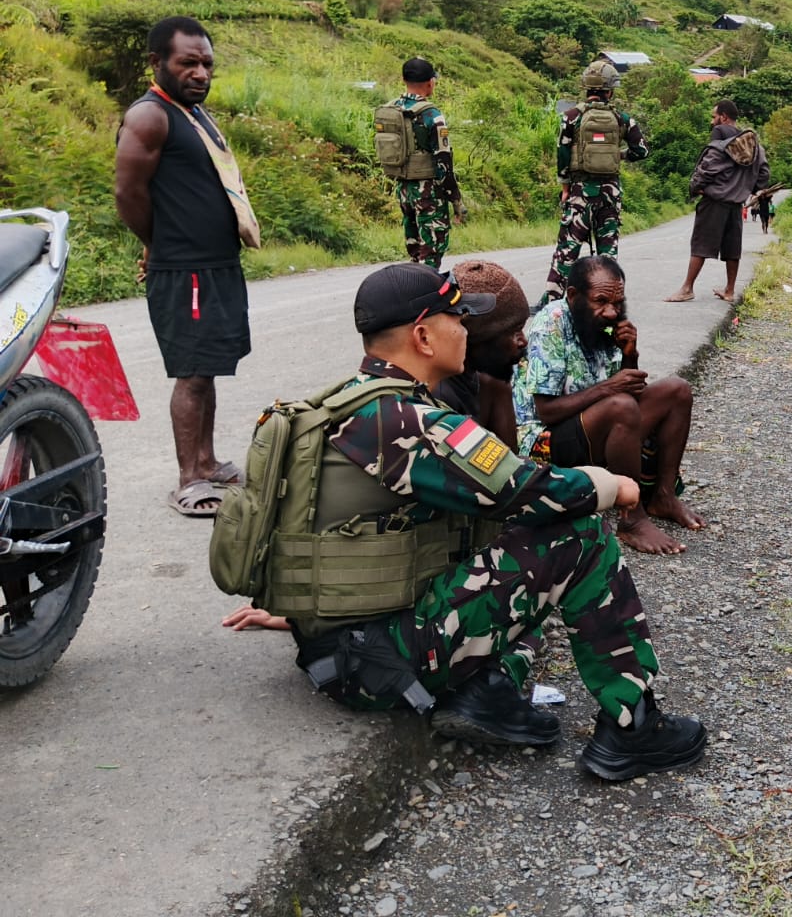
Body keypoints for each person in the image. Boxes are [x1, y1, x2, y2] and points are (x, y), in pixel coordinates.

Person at [277, 261, 706, 780]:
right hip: (375, 663)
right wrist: (615, 487)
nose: (466, 330)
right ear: (423, 336)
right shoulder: (408, 422)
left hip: (346, 650)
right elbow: (524, 489)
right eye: (457, 319)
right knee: (581, 536)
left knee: (518, 590)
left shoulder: (351, 402)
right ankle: (632, 728)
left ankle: (485, 691)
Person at [114, 16, 261, 518]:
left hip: (215, 264)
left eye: (207, 64)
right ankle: (189, 479)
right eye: (188, 63)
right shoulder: (150, 117)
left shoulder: (193, 115)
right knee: (192, 375)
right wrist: (157, 244)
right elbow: (127, 192)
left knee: (209, 369)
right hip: (186, 269)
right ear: (157, 62)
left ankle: (209, 461)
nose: (200, 73)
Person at [515, 255, 704, 556]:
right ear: (574, 295)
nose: (610, 312)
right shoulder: (550, 324)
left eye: (617, 302)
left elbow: (625, 391)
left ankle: (663, 496)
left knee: (677, 390)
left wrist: (630, 355)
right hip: (545, 442)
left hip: (594, 426)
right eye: (600, 301)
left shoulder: (603, 323)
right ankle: (632, 518)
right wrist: (609, 389)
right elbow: (546, 411)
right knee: (620, 406)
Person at [543, 59, 648, 301]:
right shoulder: (623, 119)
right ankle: (609, 300)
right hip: (610, 194)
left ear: (587, 88)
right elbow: (641, 151)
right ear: (610, 91)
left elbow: (563, 154)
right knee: (607, 252)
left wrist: (565, 188)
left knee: (567, 250)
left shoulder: (570, 117)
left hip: (580, 191)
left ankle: (552, 300)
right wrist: (618, 154)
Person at [664, 100, 770, 303]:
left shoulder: (720, 145)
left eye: (714, 117)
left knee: (701, 245)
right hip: (736, 204)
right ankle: (729, 291)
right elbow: (764, 174)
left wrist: (696, 187)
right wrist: (747, 187)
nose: (713, 122)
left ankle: (687, 288)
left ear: (723, 117)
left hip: (714, 201)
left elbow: (706, 169)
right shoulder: (755, 147)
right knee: (732, 247)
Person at [434, 259, 531, 446]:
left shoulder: (490, 384)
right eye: (514, 331)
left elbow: (512, 468)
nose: (523, 341)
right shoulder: (439, 398)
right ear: (478, 336)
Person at [389, 58, 464, 269]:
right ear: (430, 82)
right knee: (430, 253)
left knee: (415, 250)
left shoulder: (392, 109)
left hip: (403, 188)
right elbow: (443, 164)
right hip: (429, 193)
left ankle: (412, 290)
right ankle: (425, 296)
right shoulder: (432, 115)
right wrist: (456, 200)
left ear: (404, 79)